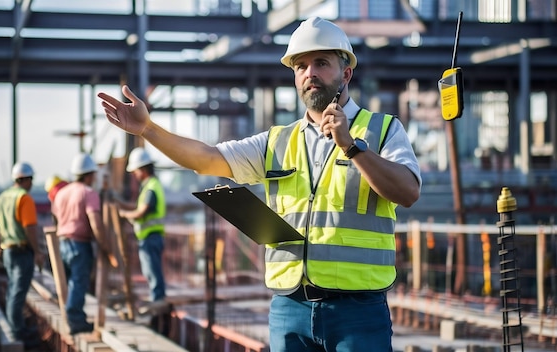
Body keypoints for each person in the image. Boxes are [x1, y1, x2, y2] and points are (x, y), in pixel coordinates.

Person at [98, 16, 421, 352]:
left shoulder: (382, 130)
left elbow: (408, 191)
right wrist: (148, 130)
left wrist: (352, 146)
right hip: (289, 308)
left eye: (321, 63)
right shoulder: (277, 142)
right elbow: (206, 158)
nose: (310, 73)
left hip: (357, 312)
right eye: (301, 66)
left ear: (346, 73)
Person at [51, 153, 118, 335]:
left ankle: (72, 316)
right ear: (89, 175)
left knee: (70, 282)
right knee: (78, 282)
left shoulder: (62, 193)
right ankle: (75, 321)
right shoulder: (88, 193)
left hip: (63, 242)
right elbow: (95, 221)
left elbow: (56, 217)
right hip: (79, 244)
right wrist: (105, 246)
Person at [0, 162, 44, 349]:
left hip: (8, 252)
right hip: (21, 252)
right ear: (26, 179)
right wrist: (37, 251)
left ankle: (16, 327)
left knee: (13, 290)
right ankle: (17, 331)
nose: (32, 184)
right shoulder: (24, 198)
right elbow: (30, 228)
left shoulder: (3, 197)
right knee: (18, 293)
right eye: (31, 180)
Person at [116, 147, 168, 313]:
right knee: (150, 269)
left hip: (151, 237)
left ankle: (158, 298)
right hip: (150, 236)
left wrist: (124, 214)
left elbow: (142, 211)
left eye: (136, 171)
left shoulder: (151, 187)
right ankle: (156, 297)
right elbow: (139, 207)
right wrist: (121, 204)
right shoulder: (150, 186)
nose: (134, 175)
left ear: (143, 169)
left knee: (152, 269)